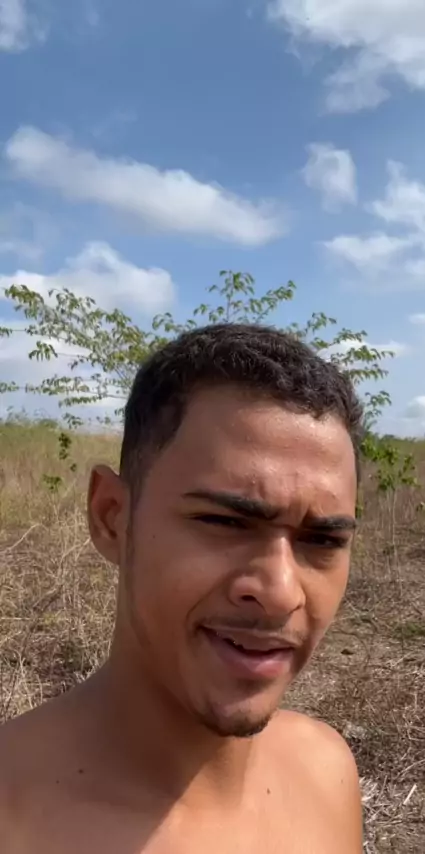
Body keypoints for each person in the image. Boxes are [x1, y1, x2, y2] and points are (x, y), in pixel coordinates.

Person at [0, 323, 364, 853]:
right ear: (111, 518)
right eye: (224, 522)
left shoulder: (325, 773)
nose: (281, 592)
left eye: (323, 540)